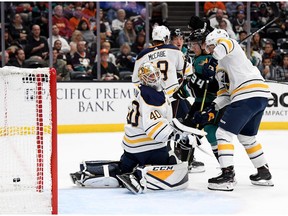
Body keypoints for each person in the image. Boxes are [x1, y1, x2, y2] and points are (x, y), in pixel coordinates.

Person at [71, 62, 205, 194]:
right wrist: (178, 137)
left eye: (155, 74)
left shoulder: (142, 90)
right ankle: (139, 176)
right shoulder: (152, 96)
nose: (155, 78)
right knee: (175, 165)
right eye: (150, 76)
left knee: (123, 168)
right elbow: (154, 129)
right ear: (144, 79)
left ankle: (89, 172)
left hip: (130, 147)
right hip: (149, 148)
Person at [195, 28, 274, 191]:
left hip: (246, 95)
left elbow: (224, 44)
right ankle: (264, 172)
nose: (209, 50)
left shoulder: (230, 45)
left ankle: (227, 175)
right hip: (258, 96)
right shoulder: (220, 68)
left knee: (223, 134)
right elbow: (225, 94)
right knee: (247, 138)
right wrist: (211, 108)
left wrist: (212, 61)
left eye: (210, 46)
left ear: (217, 42)